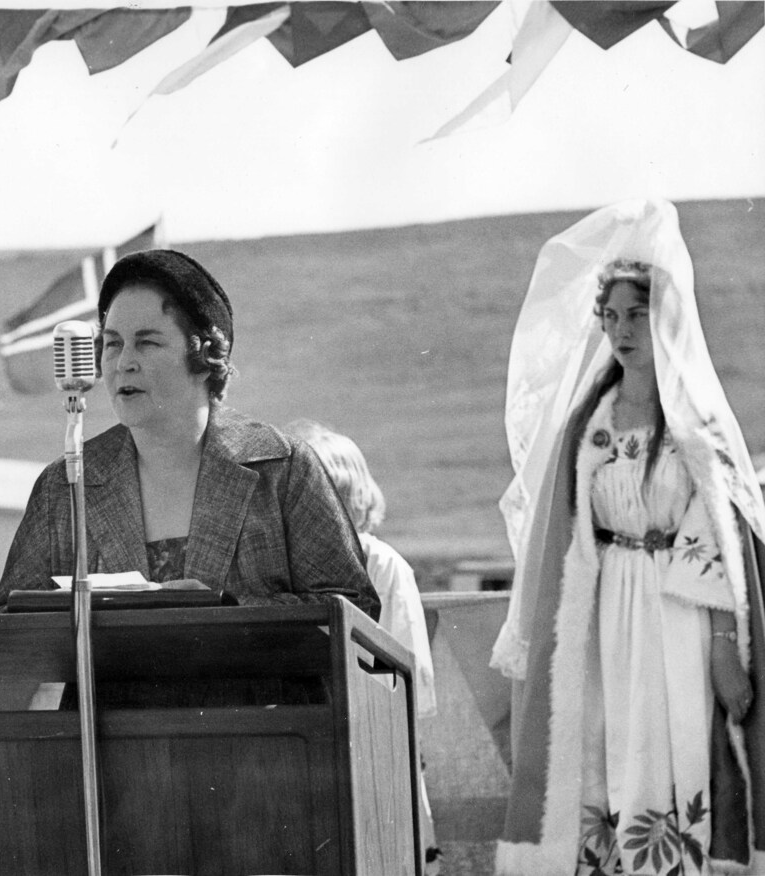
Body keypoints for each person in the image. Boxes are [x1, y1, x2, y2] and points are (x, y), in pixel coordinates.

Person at [492, 198, 764, 875]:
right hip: (606, 616)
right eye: (610, 316)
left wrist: (724, 643)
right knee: (607, 749)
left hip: (680, 615)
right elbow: (561, 536)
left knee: (678, 744)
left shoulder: (696, 425)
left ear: (665, 314)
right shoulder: (588, 423)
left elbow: (725, 534)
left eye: (636, 314)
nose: (621, 330)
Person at [0, 248, 380, 621]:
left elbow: (352, 610)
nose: (123, 363)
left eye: (147, 342)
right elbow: (3, 625)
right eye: (113, 344)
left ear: (204, 356)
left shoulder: (282, 468)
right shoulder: (66, 485)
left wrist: (225, 609)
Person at [287, 418, 441, 874]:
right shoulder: (283, 569)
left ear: (355, 500)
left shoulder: (384, 565)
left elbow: (408, 673)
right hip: (307, 737)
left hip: (374, 740)